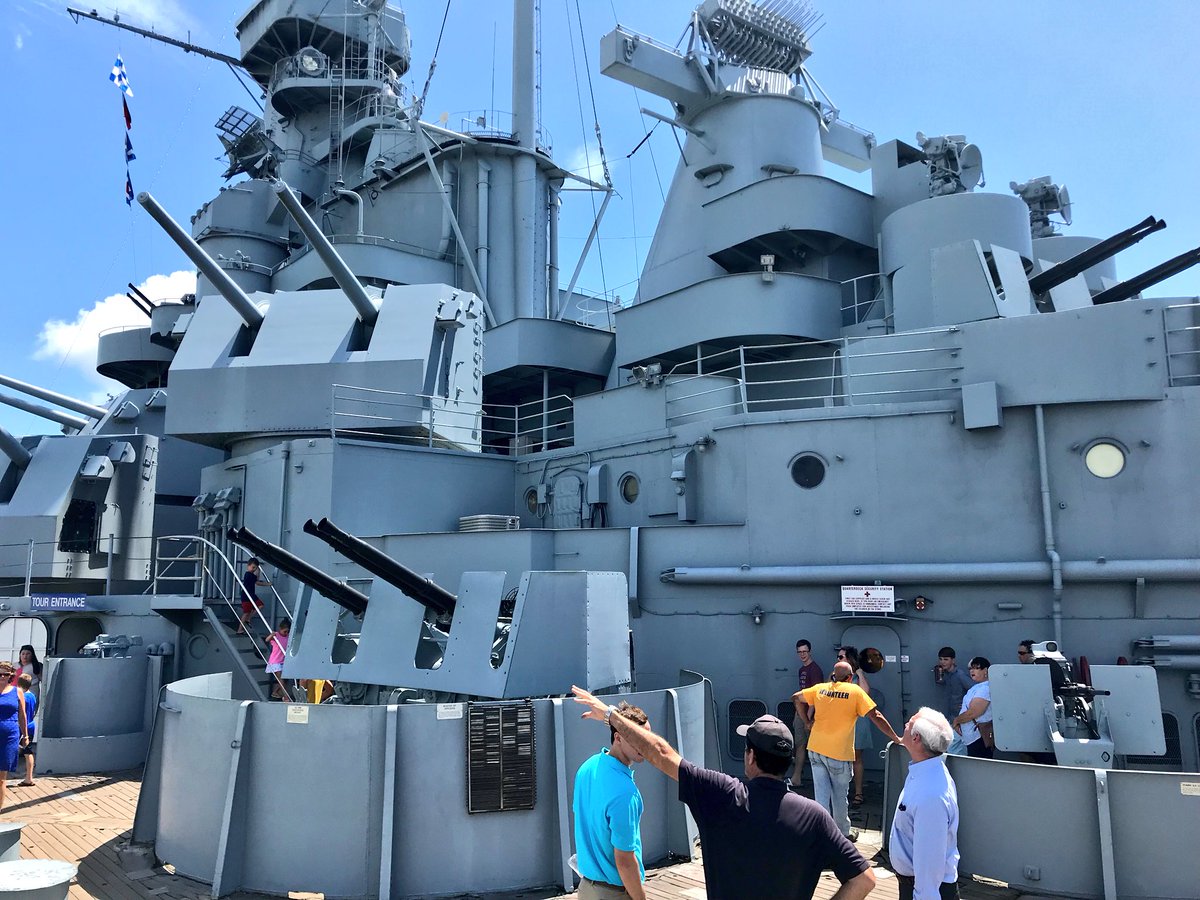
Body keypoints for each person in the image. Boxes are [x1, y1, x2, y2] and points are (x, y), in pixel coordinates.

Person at [571, 686, 876, 900]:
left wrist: (611, 714)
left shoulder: (722, 795)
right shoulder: (815, 816)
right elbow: (864, 880)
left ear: (750, 757)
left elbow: (661, 754)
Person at [794, 660, 902, 842]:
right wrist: (896, 738)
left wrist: (806, 722)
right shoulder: (855, 692)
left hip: (816, 749)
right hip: (839, 752)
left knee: (821, 795)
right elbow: (875, 715)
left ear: (833, 675)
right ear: (850, 677)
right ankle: (843, 832)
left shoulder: (820, 689)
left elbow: (796, 698)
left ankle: (821, 833)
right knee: (839, 796)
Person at [571, 700, 650, 900]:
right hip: (614, 893)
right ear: (618, 738)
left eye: (648, 737)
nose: (646, 745)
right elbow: (625, 861)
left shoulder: (586, 768)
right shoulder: (626, 793)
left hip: (586, 889)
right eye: (638, 738)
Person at [889, 707, 960, 900]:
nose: (905, 724)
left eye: (910, 723)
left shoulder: (931, 794)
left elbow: (930, 859)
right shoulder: (927, 771)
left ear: (916, 738)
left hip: (925, 891)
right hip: (917, 886)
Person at [838, 646, 872, 808]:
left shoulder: (857, 677)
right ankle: (841, 792)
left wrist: (860, 674)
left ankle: (858, 793)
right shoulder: (836, 676)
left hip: (858, 722)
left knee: (857, 758)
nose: (838, 659)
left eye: (841, 657)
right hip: (841, 722)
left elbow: (865, 693)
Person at [793, 639, 824, 783]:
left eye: (805, 651)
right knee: (800, 744)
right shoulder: (802, 670)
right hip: (801, 713)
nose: (802, 654)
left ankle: (820, 780)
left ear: (810, 652)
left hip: (810, 715)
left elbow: (816, 695)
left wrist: (808, 717)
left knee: (815, 748)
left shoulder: (815, 670)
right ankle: (796, 778)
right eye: (799, 652)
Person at [0, 662, 29, 812]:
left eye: (5, 674)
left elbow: (22, 716)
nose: (2, 677)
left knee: (1, 777)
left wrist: (26, 735)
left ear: (11, 676)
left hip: (9, 736)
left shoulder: (17, 692)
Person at [951, 657, 993, 759]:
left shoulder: (985, 688)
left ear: (985, 670)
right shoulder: (977, 687)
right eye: (971, 668)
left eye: (977, 668)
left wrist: (956, 721)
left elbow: (973, 712)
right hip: (971, 736)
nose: (972, 671)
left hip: (978, 737)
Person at [935, 648, 973, 723]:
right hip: (950, 716)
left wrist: (968, 704)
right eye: (940, 659)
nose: (942, 662)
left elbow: (975, 689)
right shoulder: (946, 675)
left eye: (946, 659)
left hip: (962, 716)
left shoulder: (960, 675)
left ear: (953, 660)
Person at [236, 558, 270, 635]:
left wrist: (258, 570)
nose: (254, 569)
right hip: (246, 595)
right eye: (253, 567)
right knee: (246, 612)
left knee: (259, 606)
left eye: (255, 568)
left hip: (251, 595)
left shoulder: (251, 575)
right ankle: (240, 629)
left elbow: (256, 581)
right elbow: (257, 582)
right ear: (248, 566)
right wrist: (267, 584)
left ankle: (248, 619)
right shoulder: (248, 575)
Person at [16, 673, 36, 785]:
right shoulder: (32, 696)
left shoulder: (21, 697)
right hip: (31, 725)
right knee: (28, 752)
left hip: (22, 727)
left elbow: (20, 715)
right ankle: (29, 777)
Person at [265, 619, 291, 700]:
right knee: (281, 679)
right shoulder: (276, 635)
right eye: (285, 631)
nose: (286, 633)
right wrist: (272, 635)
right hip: (275, 661)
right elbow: (267, 640)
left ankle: (275, 692)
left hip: (283, 661)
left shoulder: (288, 636)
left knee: (285, 679)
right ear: (280, 629)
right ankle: (286, 697)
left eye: (287, 631)